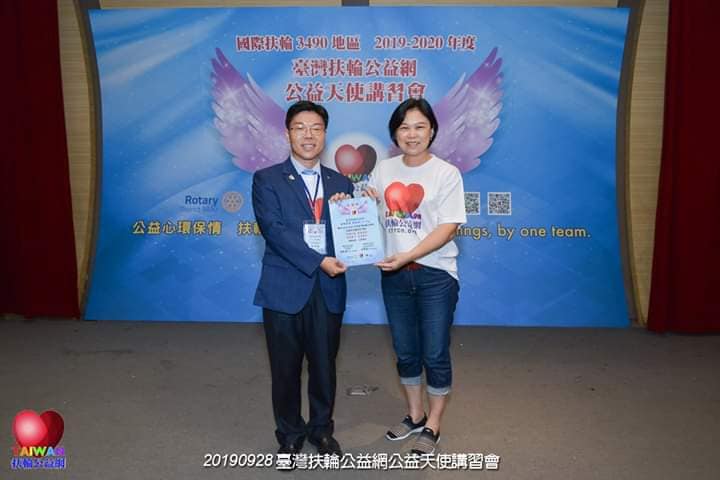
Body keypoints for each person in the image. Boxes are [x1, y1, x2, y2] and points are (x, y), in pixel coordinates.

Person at [252, 100, 353, 458]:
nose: (308, 135)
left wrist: (359, 209)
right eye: (300, 128)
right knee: (285, 368)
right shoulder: (267, 179)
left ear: (325, 134)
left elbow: (350, 236)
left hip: (328, 289)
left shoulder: (342, 182)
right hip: (284, 287)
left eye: (316, 128)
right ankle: (290, 433)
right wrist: (319, 260)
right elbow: (274, 230)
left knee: (325, 366)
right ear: (287, 134)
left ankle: (321, 429)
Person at [366, 97, 467, 455]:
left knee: (434, 352)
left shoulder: (446, 173)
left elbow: (448, 227)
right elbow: (373, 219)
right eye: (404, 127)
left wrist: (409, 255)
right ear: (394, 133)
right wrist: (360, 204)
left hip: (436, 276)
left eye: (419, 126)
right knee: (405, 350)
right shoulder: (383, 170)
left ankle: (433, 424)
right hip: (394, 276)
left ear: (432, 131)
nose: (412, 134)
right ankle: (414, 414)